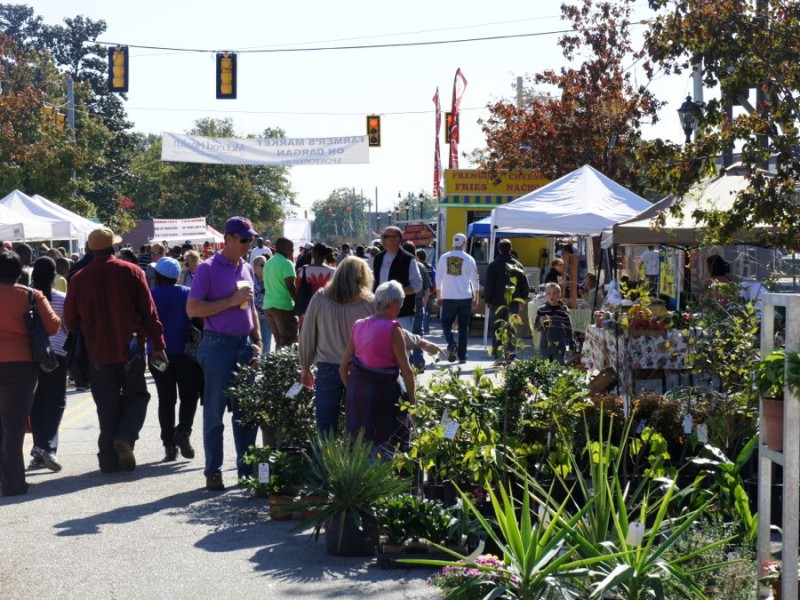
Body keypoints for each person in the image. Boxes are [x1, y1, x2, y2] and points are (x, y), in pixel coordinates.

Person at [64, 226, 168, 474]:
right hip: (131, 349)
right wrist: (158, 346)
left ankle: (108, 460)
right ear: (115, 247)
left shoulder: (79, 278)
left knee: (107, 405)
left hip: (97, 351)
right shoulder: (132, 271)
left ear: (90, 249)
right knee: (137, 397)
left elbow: (70, 320)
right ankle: (126, 435)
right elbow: (149, 312)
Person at [299, 257, 441, 437]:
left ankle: (325, 464)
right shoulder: (369, 302)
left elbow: (307, 334)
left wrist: (305, 366)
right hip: (359, 372)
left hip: (327, 369)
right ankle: (356, 463)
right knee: (358, 428)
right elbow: (392, 332)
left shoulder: (319, 298)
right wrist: (422, 343)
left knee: (325, 426)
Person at [187, 216, 262, 491]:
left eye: (250, 239)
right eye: (244, 239)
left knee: (246, 413)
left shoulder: (246, 268)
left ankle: (246, 472)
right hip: (217, 344)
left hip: (244, 344)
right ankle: (214, 471)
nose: (248, 244)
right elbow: (193, 309)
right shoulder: (207, 268)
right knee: (215, 413)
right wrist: (229, 302)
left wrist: (258, 339)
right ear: (228, 240)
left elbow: (251, 306)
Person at [0, 248, 60, 496]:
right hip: (22, 366)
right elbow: (54, 326)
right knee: (13, 426)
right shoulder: (32, 296)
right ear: (21, 272)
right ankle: (13, 482)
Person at [340, 281, 416, 452]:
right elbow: (407, 372)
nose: (399, 310)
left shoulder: (358, 325)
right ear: (395, 304)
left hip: (357, 396)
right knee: (385, 447)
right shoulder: (392, 328)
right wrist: (412, 403)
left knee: (360, 448)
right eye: (400, 306)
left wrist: (354, 388)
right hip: (384, 396)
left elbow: (343, 368)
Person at [149, 257, 203, 462]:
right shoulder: (186, 293)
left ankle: (169, 446)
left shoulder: (151, 295)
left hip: (157, 355)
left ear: (159, 277)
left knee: (166, 399)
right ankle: (183, 431)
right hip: (185, 354)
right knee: (189, 396)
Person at [29, 257, 69, 472]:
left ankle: (38, 448)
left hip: (32, 354)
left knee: (37, 402)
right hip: (57, 354)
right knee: (56, 401)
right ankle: (46, 447)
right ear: (54, 276)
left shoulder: (27, 297)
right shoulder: (63, 298)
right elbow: (69, 326)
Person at [483, 238, 529, 364]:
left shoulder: (493, 265)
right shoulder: (518, 265)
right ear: (510, 248)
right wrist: (521, 299)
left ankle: (498, 356)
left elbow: (489, 285)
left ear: (498, 249)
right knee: (511, 329)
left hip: (496, 302)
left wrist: (487, 299)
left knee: (497, 328)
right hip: (513, 302)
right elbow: (525, 285)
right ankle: (511, 356)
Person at [436, 233, 480, 364]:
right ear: (464, 243)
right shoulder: (469, 259)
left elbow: (438, 279)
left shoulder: (444, 258)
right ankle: (462, 356)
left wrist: (439, 296)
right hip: (465, 298)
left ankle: (451, 343)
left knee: (445, 323)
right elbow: (474, 280)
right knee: (463, 327)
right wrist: (476, 297)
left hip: (448, 297)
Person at [372, 226, 422, 332]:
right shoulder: (378, 258)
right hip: (379, 311)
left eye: (385, 236)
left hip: (402, 313)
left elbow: (417, 285)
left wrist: (396, 293)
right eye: (382, 236)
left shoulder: (408, 259)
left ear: (397, 239)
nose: (382, 239)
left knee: (402, 345)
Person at [263, 237, 298, 348]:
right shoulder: (287, 263)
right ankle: (287, 366)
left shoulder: (268, 263)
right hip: (283, 306)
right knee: (289, 340)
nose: (292, 251)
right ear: (283, 248)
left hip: (268, 306)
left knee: (279, 341)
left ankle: (277, 365)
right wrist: (299, 305)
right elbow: (291, 287)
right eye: (291, 249)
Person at [534, 282, 574, 364]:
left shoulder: (563, 309)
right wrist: (541, 322)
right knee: (545, 369)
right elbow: (536, 328)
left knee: (559, 368)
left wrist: (571, 343)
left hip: (560, 346)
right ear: (545, 295)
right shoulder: (542, 310)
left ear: (559, 295)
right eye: (549, 293)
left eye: (554, 293)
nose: (551, 295)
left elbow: (568, 327)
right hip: (545, 346)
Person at [252, 255, 273, 354]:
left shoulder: (270, 280)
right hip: (253, 318)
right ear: (255, 266)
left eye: (266, 265)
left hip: (266, 317)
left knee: (266, 346)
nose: (265, 267)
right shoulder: (249, 280)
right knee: (254, 347)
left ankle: (265, 368)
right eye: (262, 265)